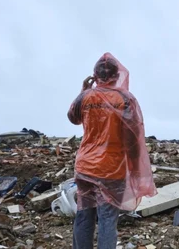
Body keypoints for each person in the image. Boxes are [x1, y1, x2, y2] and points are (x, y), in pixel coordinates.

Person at [67, 52, 157, 249]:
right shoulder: (125, 99)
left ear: (96, 75)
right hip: (111, 169)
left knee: (84, 214)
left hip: (84, 166)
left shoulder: (86, 97)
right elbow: (133, 138)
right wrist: (135, 168)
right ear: (117, 75)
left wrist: (83, 90)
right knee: (107, 219)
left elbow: (73, 118)